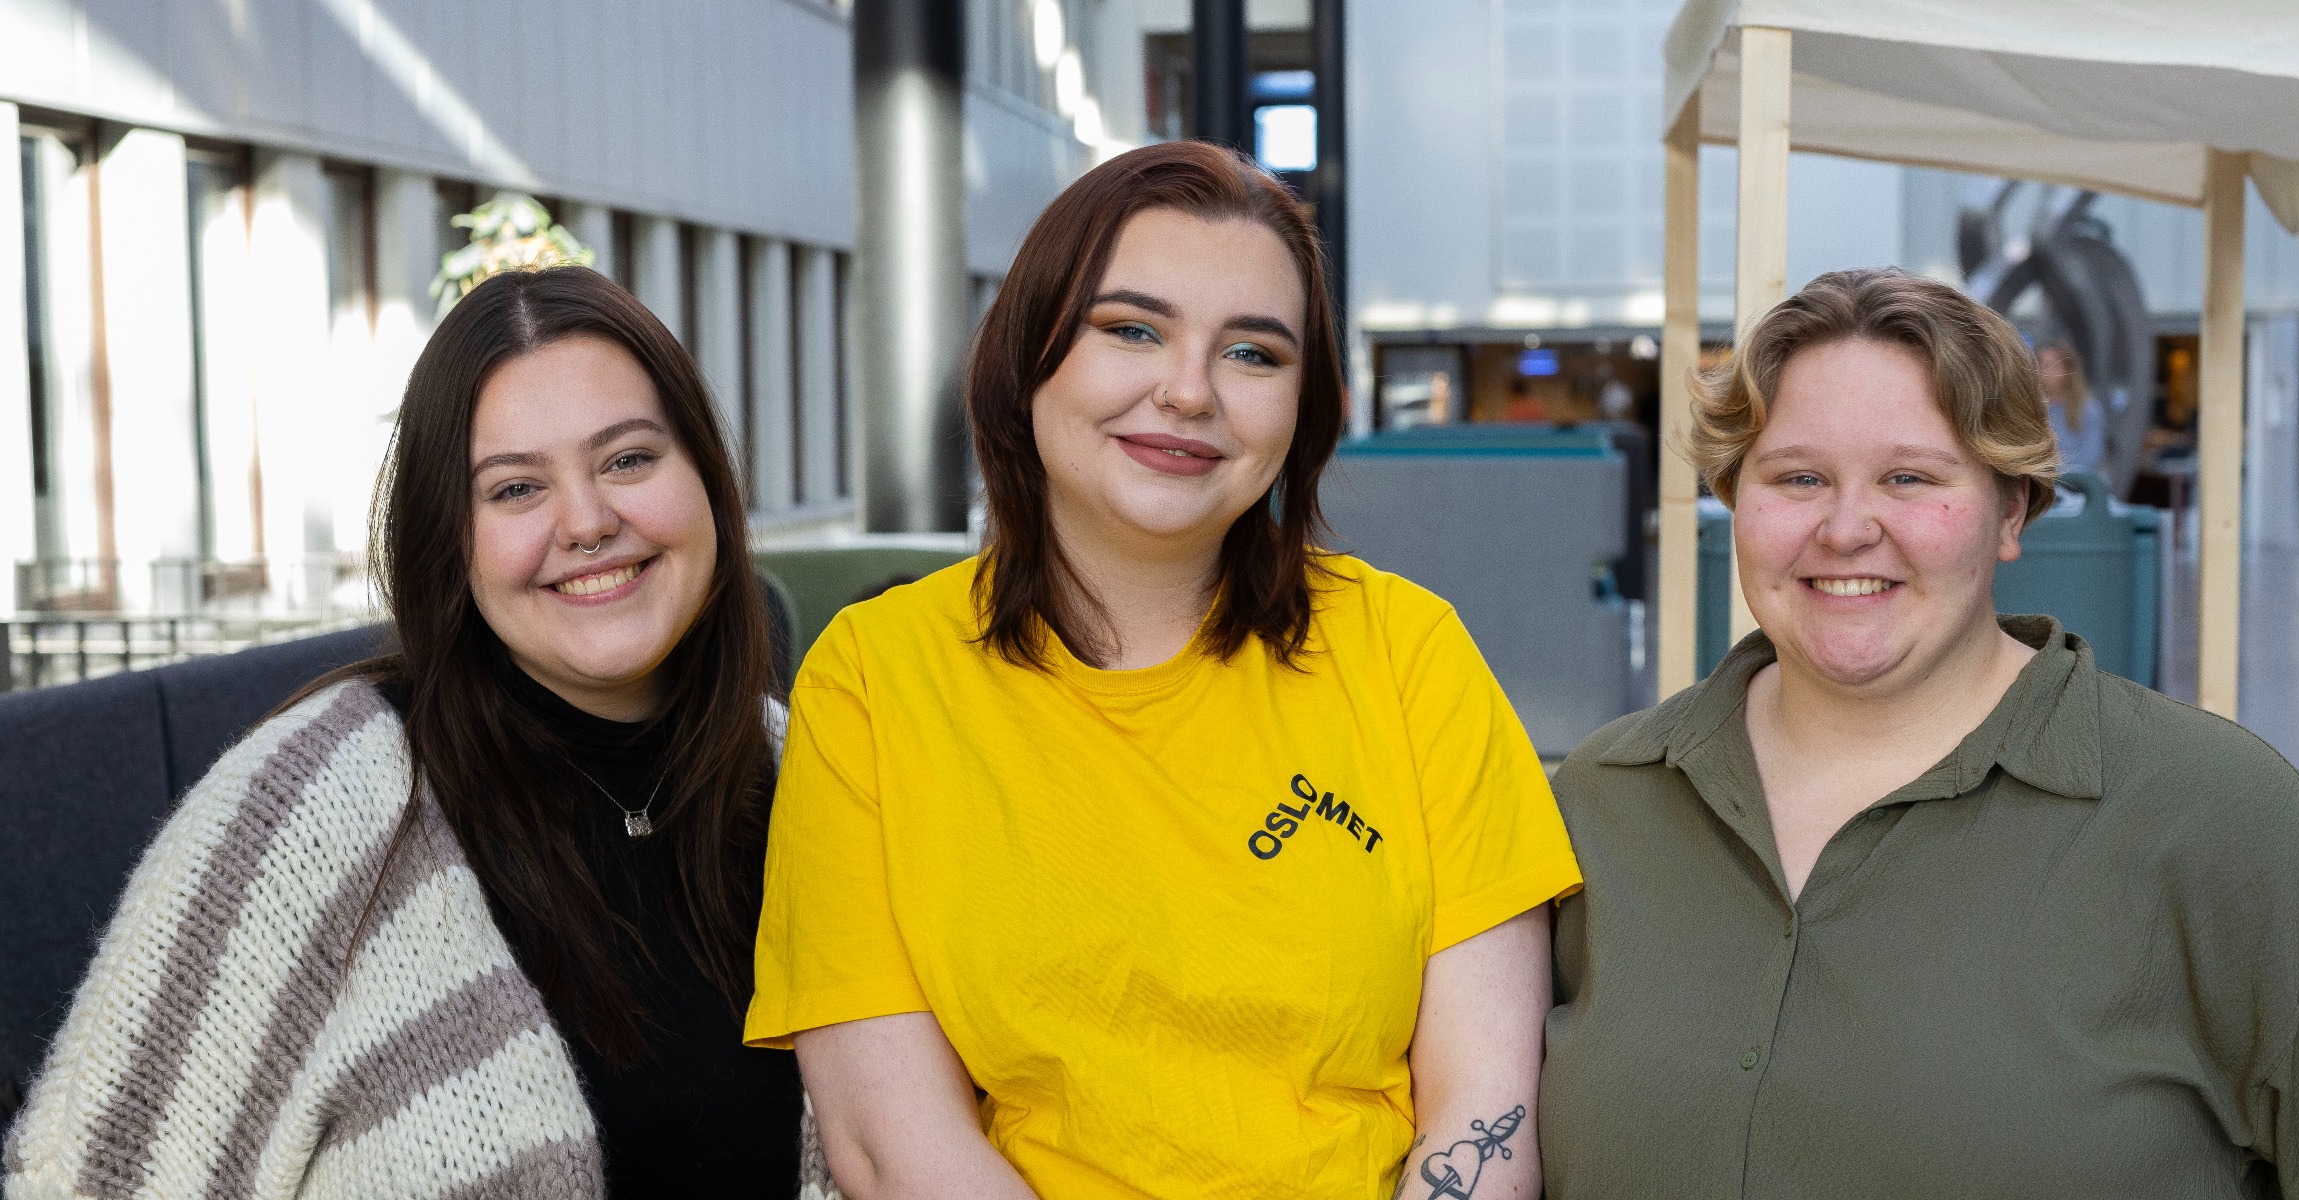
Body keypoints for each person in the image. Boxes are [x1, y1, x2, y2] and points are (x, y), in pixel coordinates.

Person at [747, 141, 1582, 1199]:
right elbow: (891, 1146)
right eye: (1132, 329)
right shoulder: (872, 681)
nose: (1189, 392)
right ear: (1028, 356)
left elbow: (1488, 1117)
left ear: (1302, 410)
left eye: (1254, 354)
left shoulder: (1411, 656)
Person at [1541, 268, 2299, 1198]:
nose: (1845, 528)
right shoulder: (1601, 803)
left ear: (2011, 509)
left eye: (1910, 477)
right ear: (1733, 500)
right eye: (1798, 477)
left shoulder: (2218, 821)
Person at [3, 266, 834, 1199]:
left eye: (630, 460)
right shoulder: (309, 810)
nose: (590, 522)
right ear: (449, 537)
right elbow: (94, 1180)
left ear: (709, 486)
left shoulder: (812, 775)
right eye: (516, 489)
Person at [2039, 341, 2106, 476]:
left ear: (2067, 370)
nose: (2044, 373)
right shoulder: (2033, 406)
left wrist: (2052, 470)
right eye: (2040, 366)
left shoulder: (2089, 409)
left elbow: (2091, 457)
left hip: (2073, 485)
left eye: (2050, 366)